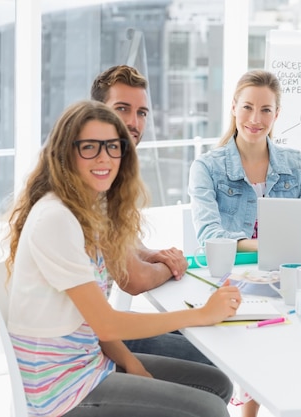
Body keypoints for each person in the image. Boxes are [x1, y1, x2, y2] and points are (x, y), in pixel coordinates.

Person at [5, 100, 241, 416]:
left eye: (113, 148)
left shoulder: (88, 211)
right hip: (62, 391)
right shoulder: (57, 218)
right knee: (209, 408)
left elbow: (91, 322)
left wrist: (130, 362)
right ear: (65, 153)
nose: (104, 159)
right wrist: (202, 314)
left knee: (216, 383)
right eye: (89, 147)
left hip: (88, 364)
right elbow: (106, 322)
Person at [91, 65, 211, 364]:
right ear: (95, 113)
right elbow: (134, 279)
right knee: (208, 357)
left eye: (142, 112)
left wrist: (156, 254)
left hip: (97, 325)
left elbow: (123, 244)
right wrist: (173, 266)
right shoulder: (95, 178)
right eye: (122, 109)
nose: (133, 122)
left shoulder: (114, 170)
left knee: (207, 335)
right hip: (87, 343)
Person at [188, 69, 301, 253]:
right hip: (232, 273)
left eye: (266, 110)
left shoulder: (299, 165)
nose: (255, 119)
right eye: (247, 107)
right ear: (234, 107)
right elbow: (209, 236)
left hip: (285, 270)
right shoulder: (206, 168)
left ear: (276, 114)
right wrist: (268, 246)